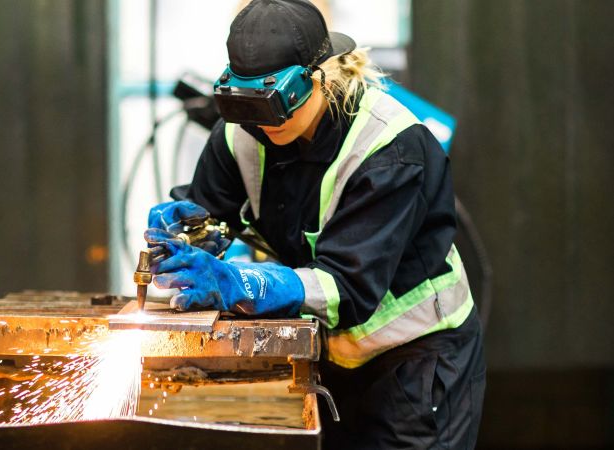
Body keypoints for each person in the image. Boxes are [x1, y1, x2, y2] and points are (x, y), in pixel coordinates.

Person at [144, 0, 485, 448]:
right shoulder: (241, 131)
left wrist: (240, 282)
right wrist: (190, 232)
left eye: (277, 104)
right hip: (333, 360)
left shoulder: (388, 150)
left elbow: (347, 291)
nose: (268, 125)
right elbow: (211, 210)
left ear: (323, 76)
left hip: (415, 362)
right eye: (251, 107)